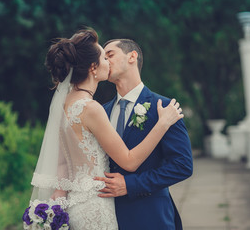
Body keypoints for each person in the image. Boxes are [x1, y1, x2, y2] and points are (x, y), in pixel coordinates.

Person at [28, 28, 184, 230]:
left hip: (75, 205)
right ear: (93, 67)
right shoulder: (93, 108)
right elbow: (129, 161)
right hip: (96, 207)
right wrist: (162, 124)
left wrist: (57, 200)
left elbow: (62, 162)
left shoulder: (65, 105)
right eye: (104, 57)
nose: (108, 62)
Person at [94, 39, 193, 229]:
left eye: (110, 55)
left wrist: (132, 185)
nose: (105, 61)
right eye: (103, 58)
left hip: (150, 216)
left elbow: (182, 165)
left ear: (132, 56)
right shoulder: (100, 113)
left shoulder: (164, 108)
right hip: (107, 216)